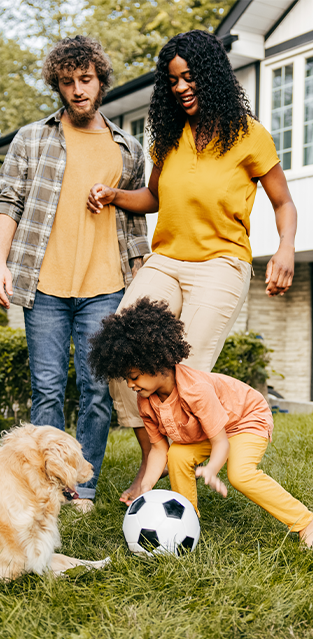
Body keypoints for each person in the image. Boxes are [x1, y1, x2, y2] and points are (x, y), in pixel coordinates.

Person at [87, 29, 297, 504]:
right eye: (173, 80)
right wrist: (116, 194)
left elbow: (283, 202)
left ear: (211, 76)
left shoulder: (248, 135)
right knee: (120, 352)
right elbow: (154, 198)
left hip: (221, 263)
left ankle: (184, 467)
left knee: (184, 373)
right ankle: (153, 455)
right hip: (166, 258)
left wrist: (284, 248)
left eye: (189, 77)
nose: (181, 87)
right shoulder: (170, 135)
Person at [0, 36, 150, 512]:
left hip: (105, 287)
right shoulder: (32, 139)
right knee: (47, 392)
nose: (78, 90)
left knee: (98, 391)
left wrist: (140, 282)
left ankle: (83, 488)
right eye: (67, 82)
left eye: (86, 80)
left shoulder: (128, 149)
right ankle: (45, 487)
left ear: (101, 81)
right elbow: (8, 203)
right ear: (57, 86)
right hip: (44, 286)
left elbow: (139, 216)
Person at [88, 297, 313, 546]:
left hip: (245, 419)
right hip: (209, 430)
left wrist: (212, 469)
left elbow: (221, 442)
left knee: (239, 475)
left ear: (154, 362)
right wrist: (146, 485)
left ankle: (305, 521)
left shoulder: (195, 390)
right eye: (126, 378)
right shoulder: (146, 401)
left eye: (134, 376)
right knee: (177, 456)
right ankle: (187, 521)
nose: (130, 384)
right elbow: (159, 449)